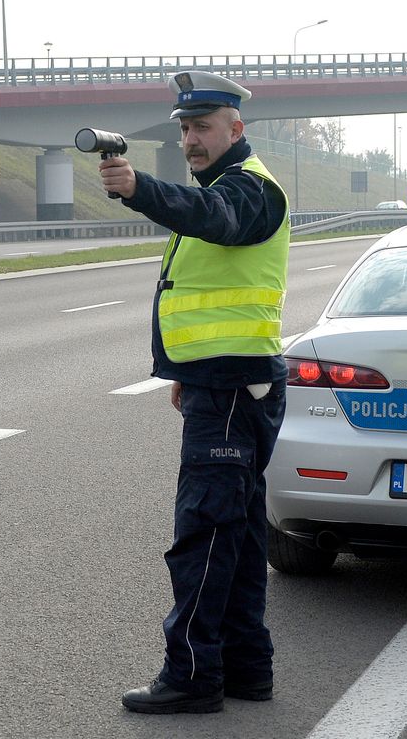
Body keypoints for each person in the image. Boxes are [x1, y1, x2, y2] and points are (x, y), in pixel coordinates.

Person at [100, 70, 290, 716]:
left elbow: (213, 219)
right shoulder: (225, 187)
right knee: (232, 538)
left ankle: (189, 675)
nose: (190, 139)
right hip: (223, 381)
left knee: (203, 536)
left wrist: (138, 189)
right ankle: (245, 667)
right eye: (183, 128)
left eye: (201, 127)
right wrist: (187, 369)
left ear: (235, 128)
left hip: (235, 387)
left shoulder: (249, 191)